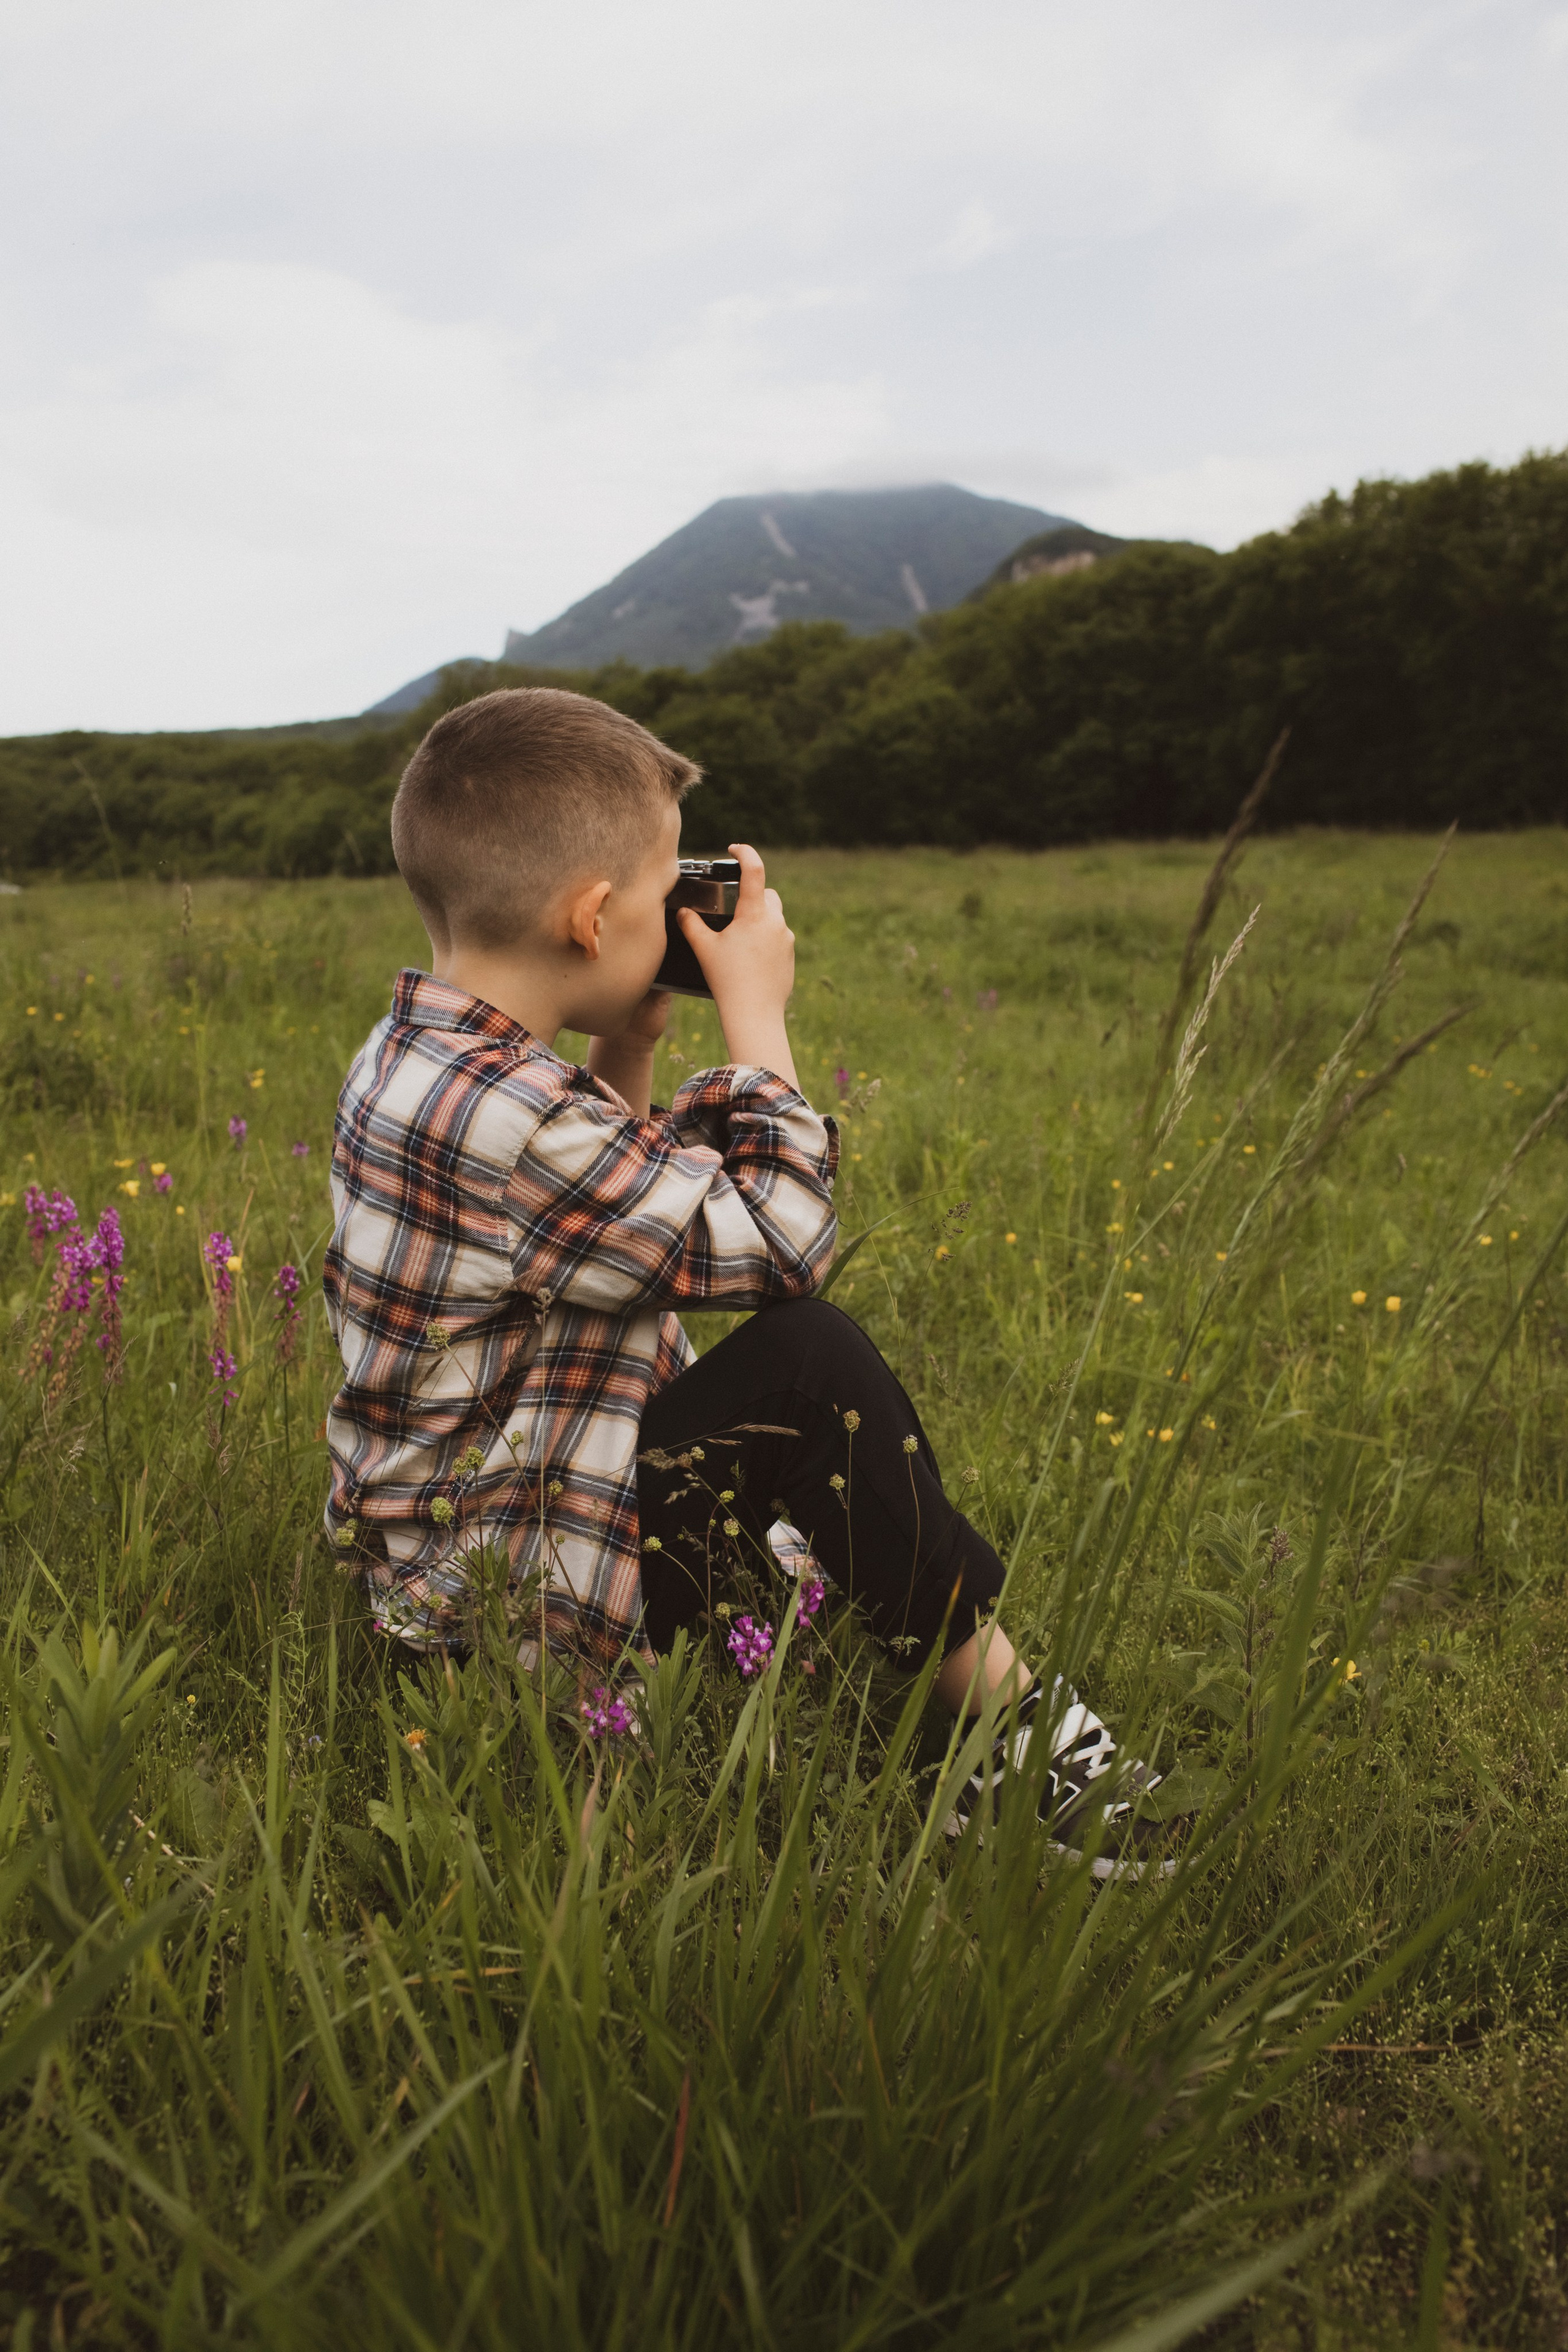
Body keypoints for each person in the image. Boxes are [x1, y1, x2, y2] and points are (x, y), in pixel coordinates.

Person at [323, 687, 1170, 1874]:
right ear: (590, 918)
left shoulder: (416, 1058)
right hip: (500, 1607)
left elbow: (598, 1233)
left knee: (785, 1416)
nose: (685, 906)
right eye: (667, 885)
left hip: (437, 1561)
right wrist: (754, 1019)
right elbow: (782, 1248)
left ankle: (896, 1654)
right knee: (812, 1364)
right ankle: (1003, 1739)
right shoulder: (513, 1121)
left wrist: (630, 1034)